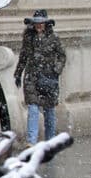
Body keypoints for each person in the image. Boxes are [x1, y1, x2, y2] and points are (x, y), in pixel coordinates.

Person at [14, 9, 66, 144]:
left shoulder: (54, 38)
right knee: (33, 108)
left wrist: (56, 69)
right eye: (37, 23)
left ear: (46, 23)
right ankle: (31, 142)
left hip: (49, 78)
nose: (39, 26)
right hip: (31, 77)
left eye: (41, 23)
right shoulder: (28, 38)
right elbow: (23, 57)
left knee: (49, 111)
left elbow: (62, 56)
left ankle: (50, 142)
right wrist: (18, 73)